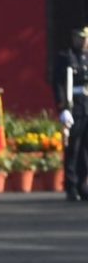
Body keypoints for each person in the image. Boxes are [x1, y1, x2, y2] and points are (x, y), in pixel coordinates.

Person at [53, 26, 88, 202]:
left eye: (85, 38)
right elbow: (59, 83)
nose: (82, 41)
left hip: (87, 105)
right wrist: (63, 108)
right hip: (74, 106)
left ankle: (84, 185)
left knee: (86, 149)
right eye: (79, 38)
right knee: (73, 147)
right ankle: (71, 186)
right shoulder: (66, 57)